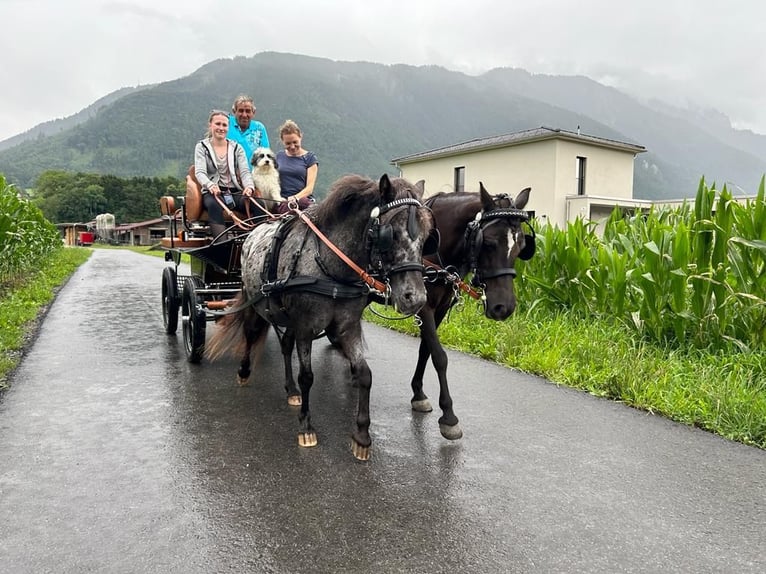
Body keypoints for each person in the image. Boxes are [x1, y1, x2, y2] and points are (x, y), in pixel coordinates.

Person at [193, 110, 256, 236]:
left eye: (224, 125)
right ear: (210, 125)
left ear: (228, 127)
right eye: (218, 124)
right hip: (213, 193)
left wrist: (249, 187)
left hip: (233, 192)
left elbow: (245, 172)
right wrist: (210, 185)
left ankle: (260, 241)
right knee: (214, 205)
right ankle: (221, 243)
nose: (221, 128)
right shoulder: (202, 147)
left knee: (258, 203)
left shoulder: (237, 148)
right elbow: (200, 172)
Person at [275, 119, 318, 212]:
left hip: (303, 200)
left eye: (295, 142)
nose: (292, 146)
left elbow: (309, 188)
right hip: (282, 201)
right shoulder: (279, 156)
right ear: (282, 141)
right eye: (288, 143)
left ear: (300, 137)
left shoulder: (310, 158)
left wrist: (295, 197)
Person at [227, 94, 270, 163]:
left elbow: (266, 153)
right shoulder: (226, 123)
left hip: (253, 169)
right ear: (234, 112)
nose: (244, 115)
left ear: (253, 112)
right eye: (241, 111)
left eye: (248, 111)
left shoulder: (259, 128)